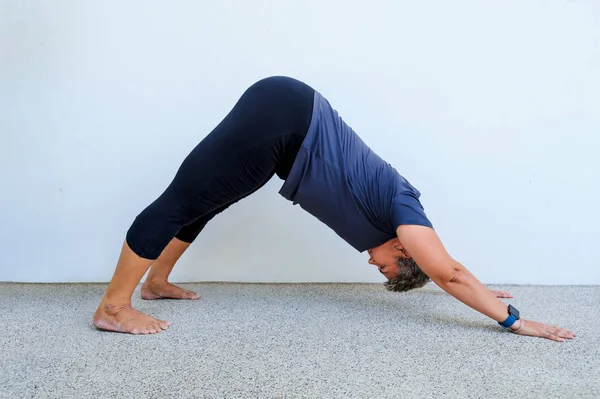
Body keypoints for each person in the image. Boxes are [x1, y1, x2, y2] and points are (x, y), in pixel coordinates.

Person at [93, 76, 575, 342]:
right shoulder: (406, 216)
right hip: (286, 119)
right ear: (403, 252)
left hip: (284, 136)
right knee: (178, 202)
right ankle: (113, 308)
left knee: (204, 203)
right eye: (385, 267)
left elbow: (447, 272)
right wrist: (513, 319)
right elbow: (448, 272)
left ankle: (155, 283)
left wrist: (480, 288)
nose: (371, 262)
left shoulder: (401, 224)